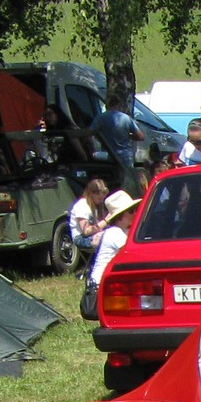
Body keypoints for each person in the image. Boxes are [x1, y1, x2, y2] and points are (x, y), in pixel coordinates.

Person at [83, 189, 142, 317]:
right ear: (119, 216)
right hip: (101, 288)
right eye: (131, 211)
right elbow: (134, 253)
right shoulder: (114, 233)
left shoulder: (123, 231)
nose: (135, 213)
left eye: (135, 209)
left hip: (110, 283)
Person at [91, 97, 146, 182]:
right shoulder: (126, 118)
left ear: (106, 105)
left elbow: (90, 132)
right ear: (118, 105)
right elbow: (141, 136)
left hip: (109, 155)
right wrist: (128, 136)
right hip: (125, 156)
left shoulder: (100, 118)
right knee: (128, 180)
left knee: (110, 179)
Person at [67, 177, 111, 270]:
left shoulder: (98, 206)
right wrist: (106, 221)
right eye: (98, 193)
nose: (101, 196)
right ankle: (104, 268)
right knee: (109, 239)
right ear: (90, 193)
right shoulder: (82, 205)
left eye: (103, 193)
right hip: (81, 238)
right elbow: (86, 231)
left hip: (94, 235)